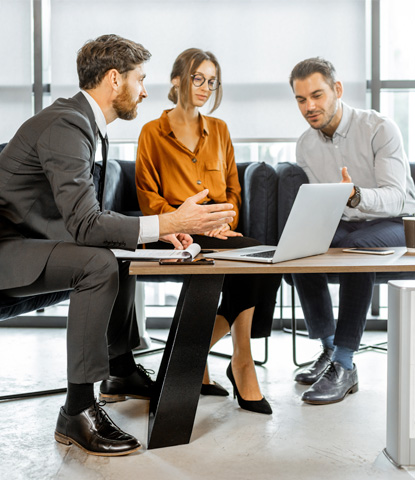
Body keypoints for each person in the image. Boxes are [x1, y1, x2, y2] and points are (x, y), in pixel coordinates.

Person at [0, 35, 237, 457]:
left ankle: (120, 369)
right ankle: (77, 411)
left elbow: (87, 219)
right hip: (6, 252)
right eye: (139, 79)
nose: (145, 90)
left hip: (30, 243)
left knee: (122, 253)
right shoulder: (68, 124)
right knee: (98, 264)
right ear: (114, 79)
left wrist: (158, 231)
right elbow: (86, 225)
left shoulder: (86, 124)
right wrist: (170, 219)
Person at [136, 48, 281, 415]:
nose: (205, 87)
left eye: (211, 81)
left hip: (218, 231)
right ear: (176, 81)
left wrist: (223, 223)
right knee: (255, 260)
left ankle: (197, 354)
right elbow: (148, 197)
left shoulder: (219, 130)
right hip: (175, 232)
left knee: (264, 256)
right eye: (197, 78)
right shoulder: (152, 132)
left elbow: (233, 190)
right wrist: (184, 224)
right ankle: (236, 364)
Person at [288, 57, 415, 405]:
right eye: (301, 99)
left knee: (356, 249)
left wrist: (356, 195)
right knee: (299, 245)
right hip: (345, 223)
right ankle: (328, 350)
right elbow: (325, 202)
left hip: (397, 223)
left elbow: (396, 196)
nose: (310, 107)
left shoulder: (379, 128)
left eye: (317, 95)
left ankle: (345, 364)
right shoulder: (305, 144)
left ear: (337, 90)